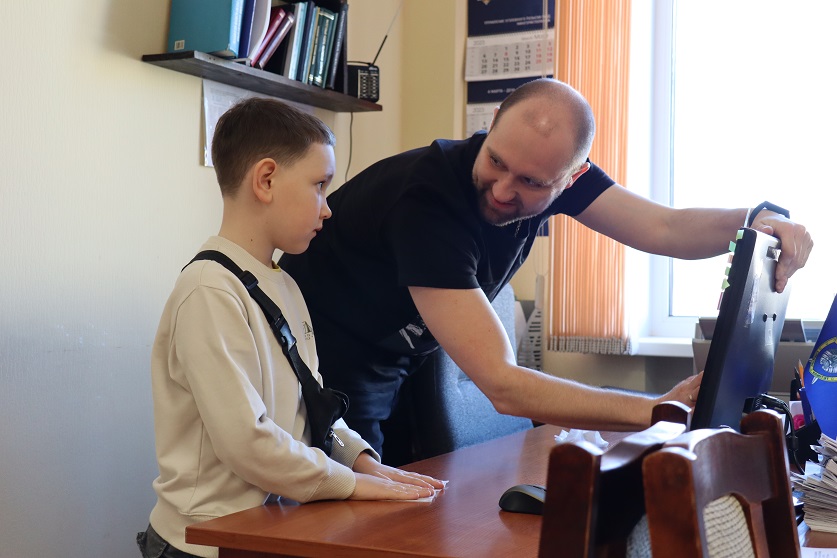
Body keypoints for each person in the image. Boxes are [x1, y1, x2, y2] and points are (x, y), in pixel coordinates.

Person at [279, 78, 814, 462]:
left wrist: (756, 220)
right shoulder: (428, 207)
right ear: (491, 125)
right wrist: (655, 409)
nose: (503, 190)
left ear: (571, 177)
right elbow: (503, 385)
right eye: (496, 162)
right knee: (350, 519)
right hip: (321, 357)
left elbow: (665, 229)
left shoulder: (558, 174)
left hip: (397, 353)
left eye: (533, 183)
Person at [138, 97, 444, 558]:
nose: (328, 209)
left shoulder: (285, 285)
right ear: (266, 180)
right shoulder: (209, 290)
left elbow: (313, 404)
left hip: (267, 530)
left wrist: (364, 463)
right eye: (319, 185)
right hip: (203, 542)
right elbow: (247, 443)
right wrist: (351, 485)